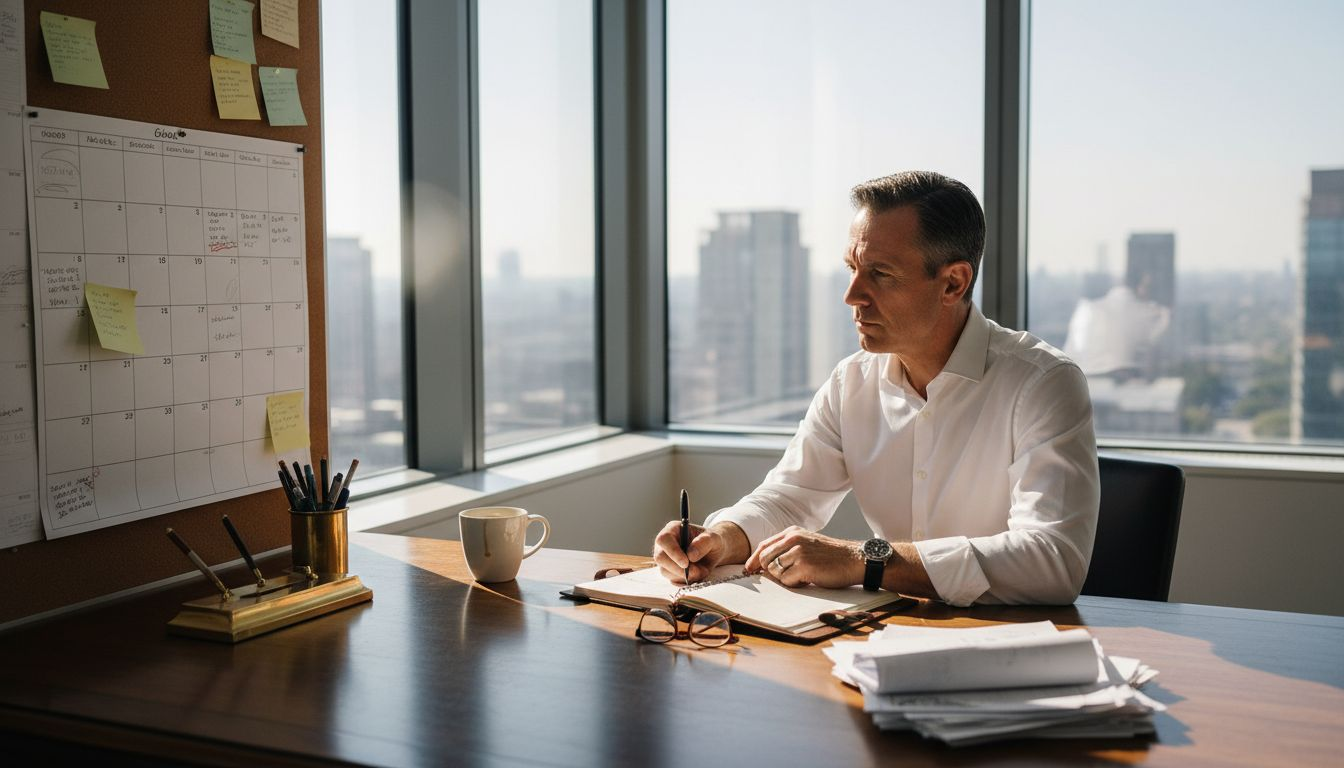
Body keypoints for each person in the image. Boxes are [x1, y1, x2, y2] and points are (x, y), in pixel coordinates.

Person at [653, 171, 1099, 606]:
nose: (852, 295)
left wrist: (863, 560)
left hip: (1015, 648)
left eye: (881, 273)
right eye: (852, 268)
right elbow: (790, 499)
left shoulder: (1042, 383)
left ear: (953, 282)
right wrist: (721, 538)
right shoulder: (851, 383)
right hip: (887, 639)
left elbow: (1053, 559)